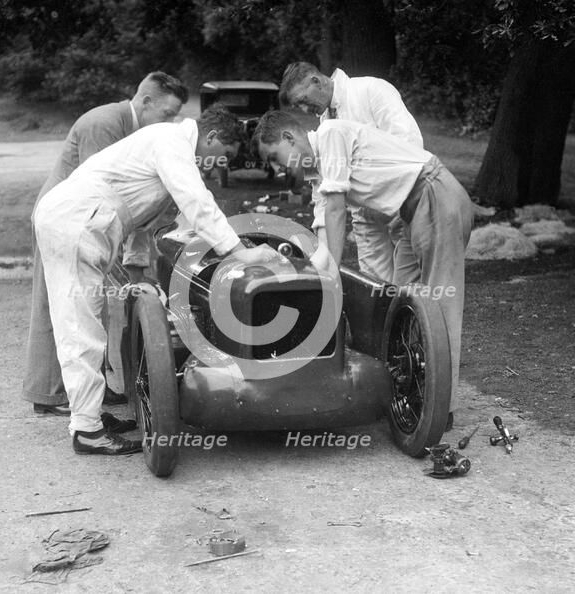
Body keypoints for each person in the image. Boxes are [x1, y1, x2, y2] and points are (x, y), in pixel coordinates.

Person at [34, 105, 278, 455]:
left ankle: (89, 416)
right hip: (75, 222)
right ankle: (87, 430)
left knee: (87, 321)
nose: (217, 166)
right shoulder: (170, 141)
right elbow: (197, 201)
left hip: (82, 221)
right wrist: (241, 252)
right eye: (222, 156)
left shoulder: (167, 142)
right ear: (210, 137)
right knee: (79, 325)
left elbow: (179, 220)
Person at [252, 110, 473, 417]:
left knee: (439, 304)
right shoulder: (320, 174)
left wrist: (332, 276)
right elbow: (322, 225)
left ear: (290, 137)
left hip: (433, 194)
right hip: (409, 212)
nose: (278, 170)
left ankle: (439, 410)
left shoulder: (331, 134)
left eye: (276, 158)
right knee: (403, 305)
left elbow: (336, 210)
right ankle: (409, 385)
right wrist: (316, 276)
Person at [23, 72, 188, 416]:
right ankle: (51, 394)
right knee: (60, 306)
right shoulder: (104, 124)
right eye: (168, 113)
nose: (172, 122)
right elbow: (96, 198)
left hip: (83, 223)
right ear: (145, 102)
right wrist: (124, 270)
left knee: (91, 306)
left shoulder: (134, 129)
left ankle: (90, 389)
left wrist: (137, 266)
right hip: (64, 223)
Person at [279, 62, 422, 282]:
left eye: (304, 101)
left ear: (316, 81)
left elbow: (410, 145)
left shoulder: (371, 89)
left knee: (409, 285)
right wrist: (322, 258)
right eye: (299, 106)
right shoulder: (322, 128)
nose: (305, 110)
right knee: (374, 287)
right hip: (364, 217)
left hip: (399, 203)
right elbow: (322, 197)